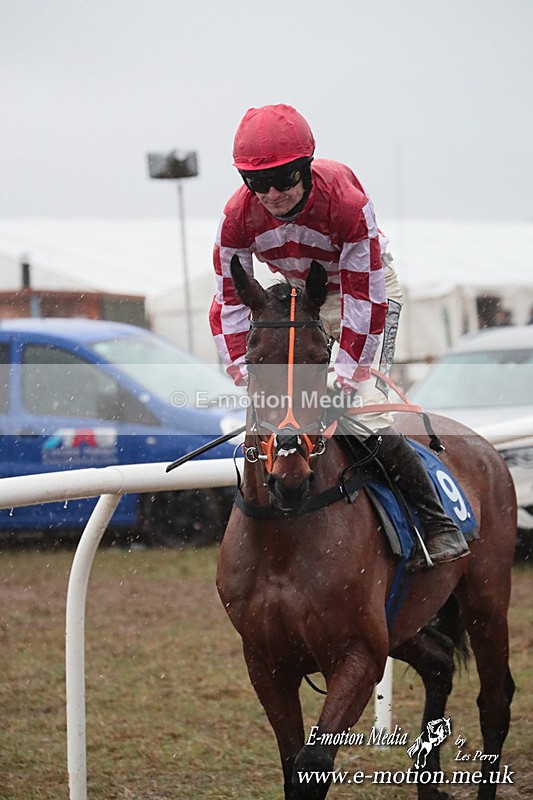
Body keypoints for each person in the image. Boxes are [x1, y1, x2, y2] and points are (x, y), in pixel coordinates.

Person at [209, 103, 469, 567]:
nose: (271, 193)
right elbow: (230, 299)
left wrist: (347, 376)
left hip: (363, 287)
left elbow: (364, 299)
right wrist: (241, 370)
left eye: (284, 178)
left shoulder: (346, 204)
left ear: (306, 167)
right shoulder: (236, 216)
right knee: (279, 410)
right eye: (256, 183)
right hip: (298, 296)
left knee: (359, 413)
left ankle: (435, 522)